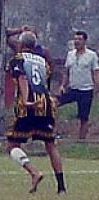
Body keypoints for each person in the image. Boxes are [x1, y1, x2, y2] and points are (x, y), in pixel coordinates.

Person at [6, 31, 66, 194]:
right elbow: (44, 82)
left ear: (21, 44)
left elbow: (22, 78)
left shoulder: (18, 59)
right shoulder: (43, 61)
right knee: (50, 144)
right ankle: (61, 187)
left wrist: (25, 100)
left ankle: (34, 172)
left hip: (29, 105)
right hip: (45, 104)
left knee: (12, 145)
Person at [58, 31, 99, 139]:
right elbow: (66, 72)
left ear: (85, 41)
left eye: (79, 39)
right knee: (55, 103)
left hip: (86, 90)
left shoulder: (92, 55)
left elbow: (95, 72)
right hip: (72, 88)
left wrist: (96, 88)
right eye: (75, 39)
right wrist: (62, 85)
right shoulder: (70, 54)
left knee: (84, 117)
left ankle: (81, 140)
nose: (77, 41)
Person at [6, 25, 54, 90]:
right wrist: (19, 30)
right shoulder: (19, 48)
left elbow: (50, 68)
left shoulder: (43, 51)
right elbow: (5, 35)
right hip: (29, 85)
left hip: (34, 85)